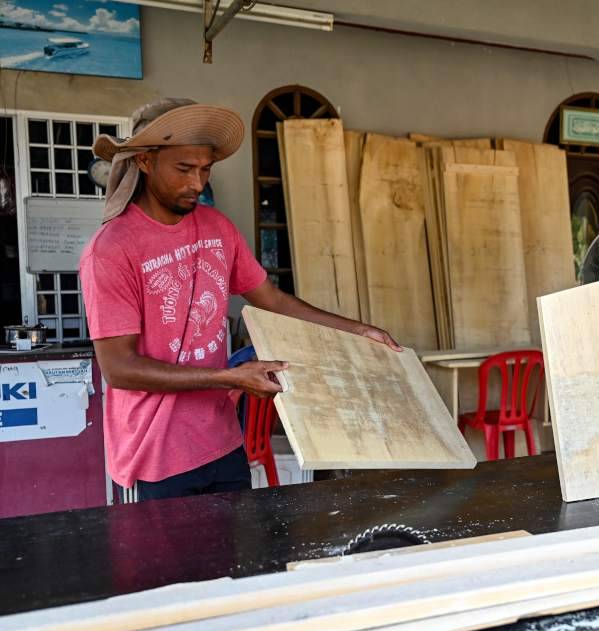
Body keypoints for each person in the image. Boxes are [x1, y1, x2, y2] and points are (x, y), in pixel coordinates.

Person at [80, 98, 401, 502]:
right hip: (157, 454)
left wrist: (358, 331)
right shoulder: (111, 251)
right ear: (144, 161)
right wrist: (229, 378)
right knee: (173, 547)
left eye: (205, 170)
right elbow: (120, 369)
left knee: (234, 545)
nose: (197, 183)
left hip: (222, 440)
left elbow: (273, 300)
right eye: (184, 169)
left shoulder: (217, 228)